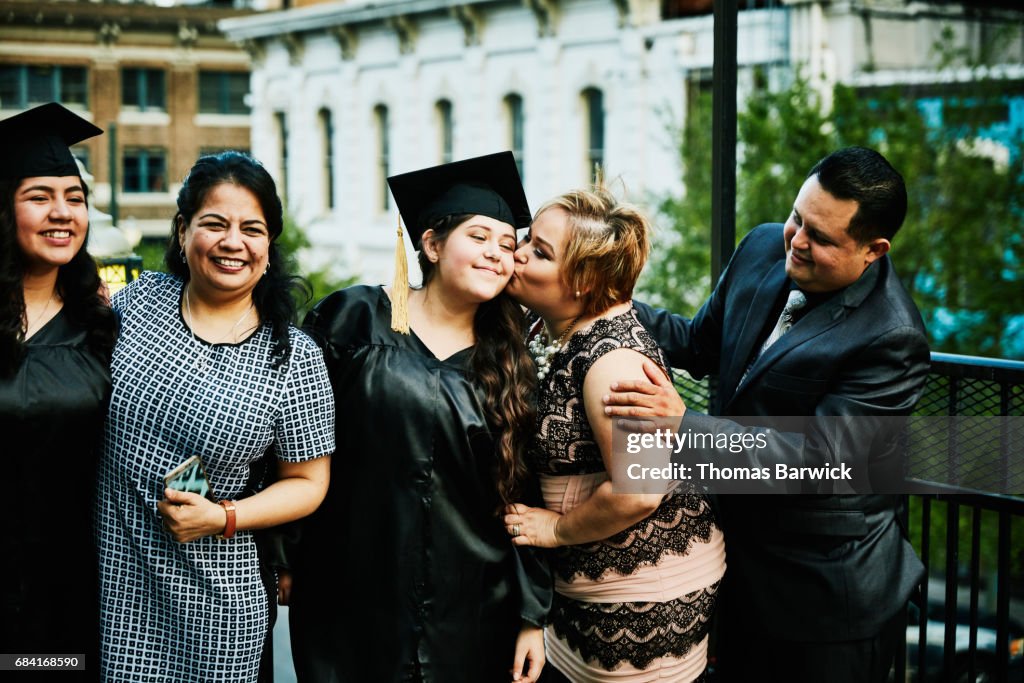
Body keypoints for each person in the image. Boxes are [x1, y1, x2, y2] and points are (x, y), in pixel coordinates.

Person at [604, 147, 930, 683]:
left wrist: (682, 426)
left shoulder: (894, 337)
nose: (797, 241)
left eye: (821, 238)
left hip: (826, 604)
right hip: (738, 574)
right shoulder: (761, 245)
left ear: (873, 250)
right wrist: (603, 303)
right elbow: (701, 343)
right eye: (797, 217)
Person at [288, 151, 550, 683]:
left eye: (507, 244)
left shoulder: (509, 361)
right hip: (350, 593)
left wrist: (530, 617)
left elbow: (522, 494)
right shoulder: (353, 321)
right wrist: (283, 554)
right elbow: (288, 439)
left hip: (471, 609)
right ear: (431, 244)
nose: (496, 254)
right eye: (478, 237)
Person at [95, 151, 335, 683]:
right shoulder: (134, 306)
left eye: (252, 228)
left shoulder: (292, 355)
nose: (233, 242)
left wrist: (225, 516)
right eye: (214, 224)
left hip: (217, 605)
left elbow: (309, 482)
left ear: (269, 247)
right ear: (182, 231)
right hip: (113, 584)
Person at [502, 186, 726, 682]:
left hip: (642, 596)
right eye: (527, 240)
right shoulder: (553, 324)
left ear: (582, 281)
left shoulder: (616, 365)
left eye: (539, 252)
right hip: (586, 584)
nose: (516, 254)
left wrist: (555, 530)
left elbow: (642, 491)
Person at [0, 103, 116, 677]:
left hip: (69, 592)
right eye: (39, 196)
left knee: (46, 670)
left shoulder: (103, 329)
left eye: (75, 198)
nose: (62, 213)